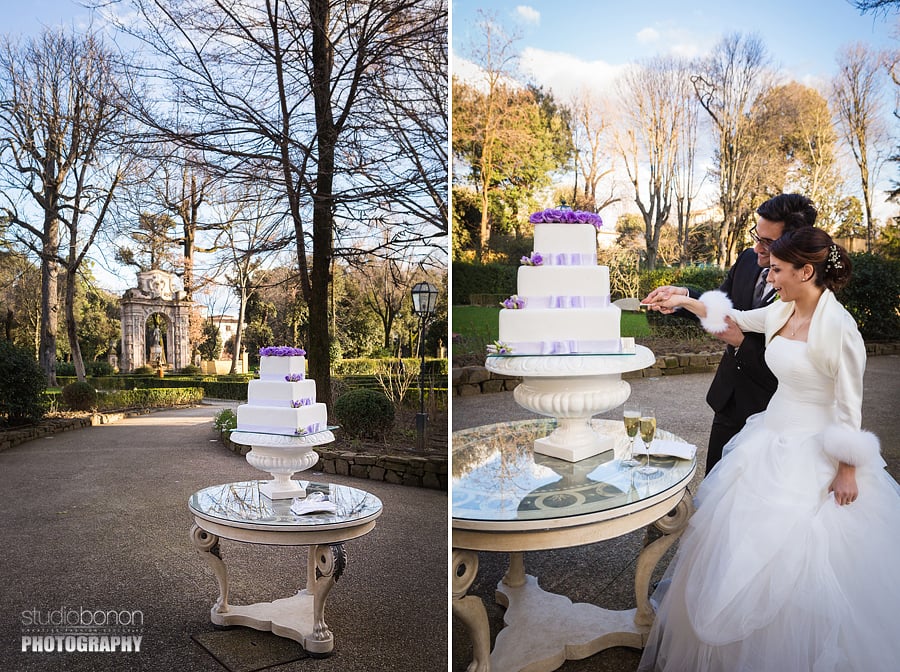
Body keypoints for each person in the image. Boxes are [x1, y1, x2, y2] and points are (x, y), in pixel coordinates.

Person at [637, 227, 900, 672]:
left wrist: (848, 469)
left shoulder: (839, 327)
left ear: (806, 270)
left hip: (814, 450)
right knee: (737, 547)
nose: (769, 275)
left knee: (802, 560)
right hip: (767, 437)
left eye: (777, 269)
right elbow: (735, 319)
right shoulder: (782, 310)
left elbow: (847, 407)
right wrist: (684, 300)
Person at [643, 193, 817, 474]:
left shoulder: (810, 291)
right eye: (756, 236)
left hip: (774, 408)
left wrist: (740, 341)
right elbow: (723, 304)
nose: (758, 247)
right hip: (730, 398)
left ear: (794, 245)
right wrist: (683, 296)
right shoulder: (749, 259)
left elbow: (801, 364)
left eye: (768, 243)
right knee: (715, 486)